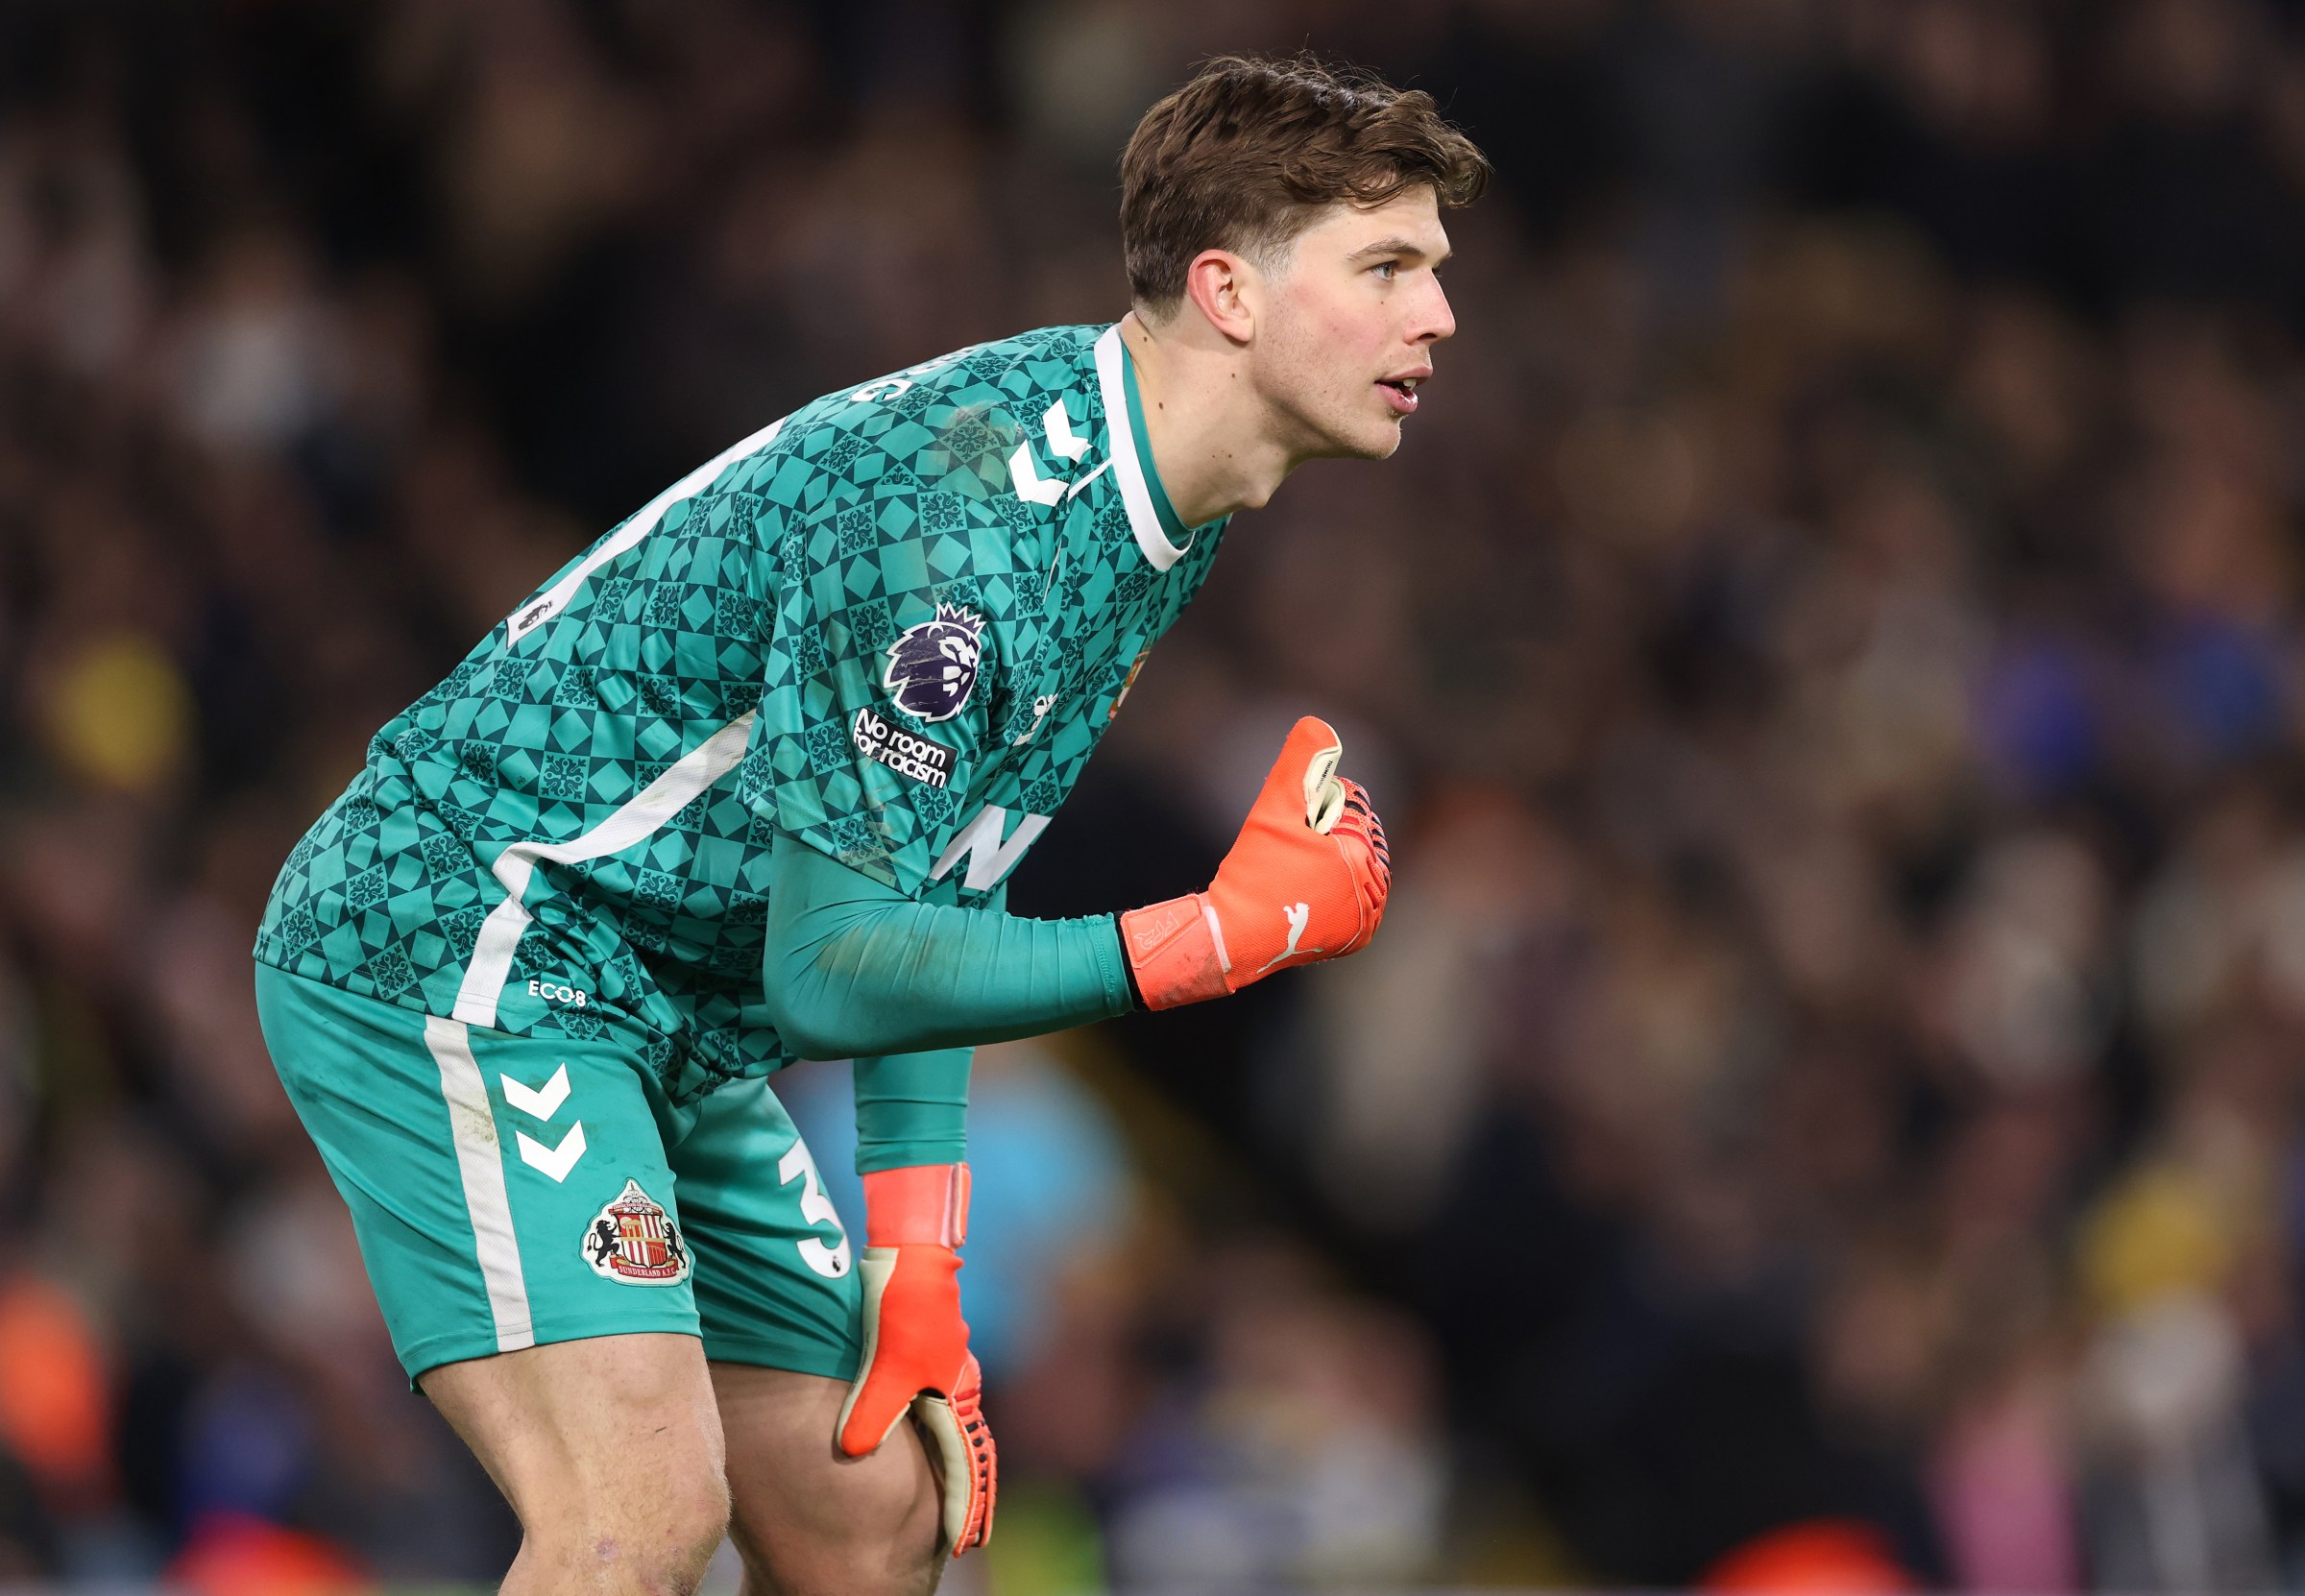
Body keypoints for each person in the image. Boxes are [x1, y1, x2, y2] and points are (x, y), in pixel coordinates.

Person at [251, 52, 1485, 1596]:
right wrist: (1204, 940)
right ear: (1230, 292)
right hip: (473, 931)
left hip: (658, 1002)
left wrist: (918, 1254)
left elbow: (933, 891)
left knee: (872, 1513)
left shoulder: (1150, 503)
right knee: (637, 1512)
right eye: (1389, 267)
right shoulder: (967, 525)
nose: (1438, 315)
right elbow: (830, 970)